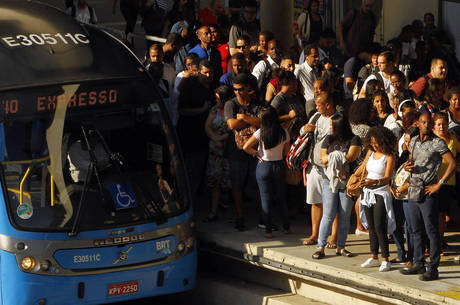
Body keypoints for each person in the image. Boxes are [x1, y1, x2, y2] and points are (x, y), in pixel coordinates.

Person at [400, 113, 455, 281]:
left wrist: (439, 183)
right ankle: (418, 263)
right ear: (418, 124)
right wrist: (406, 166)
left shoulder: (437, 142)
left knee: (431, 231)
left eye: (428, 122)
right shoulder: (415, 141)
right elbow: (412, 160)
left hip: (428, 191)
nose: (426, 125)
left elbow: (452, 163)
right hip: (413, 189)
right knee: (416, 229)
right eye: (423, 122)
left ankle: (433, 267)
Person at [312, 115, 361, 259]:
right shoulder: (328, 139)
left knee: (344, 215)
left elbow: (351, 157)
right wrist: (339, 158)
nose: (331, 127)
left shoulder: (354, 139)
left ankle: (341, 246)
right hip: (330, 181)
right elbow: (323, 158)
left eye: (333, 125)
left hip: (347, 182)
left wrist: (333, 157)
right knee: (328, 215)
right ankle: (320, 247)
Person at [243, 106, 291, 238]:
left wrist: (256, 154)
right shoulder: (284, 132)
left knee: (266, 200)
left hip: (263, 166)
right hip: (279, 165)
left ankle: (268, 231)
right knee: (281, 198)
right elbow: (287, 152)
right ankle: (286, 227)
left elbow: (245, 146)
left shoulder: (260, 132)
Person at [224, 73, 263, 231]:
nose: (237, 92)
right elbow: (231, 124)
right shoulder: (230, 104)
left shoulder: (256, 104)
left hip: (255, 151)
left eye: (240, 89)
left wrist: (245, 118)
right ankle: (239, 216)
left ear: (248, 89)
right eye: (235, 89)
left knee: (259, 185)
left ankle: (264, 217)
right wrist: (249, 119)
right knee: (237, 185)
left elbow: (262, 121)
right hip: (237, 151)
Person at [301, 92, 337, 246]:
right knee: (315, 201)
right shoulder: (316, 117)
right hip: (314, 167)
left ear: (327, 105)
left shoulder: (337, 120)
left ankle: (334, 237)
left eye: (318, 105)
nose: (316, 107)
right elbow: (302, 133)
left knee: (332, 204)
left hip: (330, 169)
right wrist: (305, 129)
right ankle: (315, 234)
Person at [358, 126, 396, 272]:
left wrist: (373, 182)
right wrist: (359, 180)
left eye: (377, 143)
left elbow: (387, 178)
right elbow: (364, 169)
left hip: (380, 192)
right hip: (367, 191)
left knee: (380, 226)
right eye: (372, 143)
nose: (374, 146)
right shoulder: (370, 153)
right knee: (371, 226)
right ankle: (374, 256)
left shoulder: (389, 156)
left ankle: (385, 258)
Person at [177, 60, 215, 205]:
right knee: (191, 172)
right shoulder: (190, 87)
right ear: (199, 72)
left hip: (205, 138)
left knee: (201, 173)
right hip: (190, 137)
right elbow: (181, 110)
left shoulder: (212, 89)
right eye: (205, 72)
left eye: (210, 72)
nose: (208, 75)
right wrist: (201, 110)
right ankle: (187, 203)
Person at [203, 85, 233, 222]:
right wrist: (215, 139)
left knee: (227, 182)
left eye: (218, 99)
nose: (216, 102)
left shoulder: (232, 111)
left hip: (228, 152)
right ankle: (213, 211)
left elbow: (232, 131)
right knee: (214, 182)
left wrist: (220, 139)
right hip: (215, 152)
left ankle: (226, 205)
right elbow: (207, 127)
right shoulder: (214, 110)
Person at [431, 112, 460, 251]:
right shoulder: (431, 140)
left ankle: (440, 241)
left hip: (450, 181)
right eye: (439, 124)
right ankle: (434, 243)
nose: (442, 127)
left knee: (442, 213)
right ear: (434, 126)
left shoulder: (453, 138)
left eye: (444, 124)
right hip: (434, 181)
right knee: (435, 214)